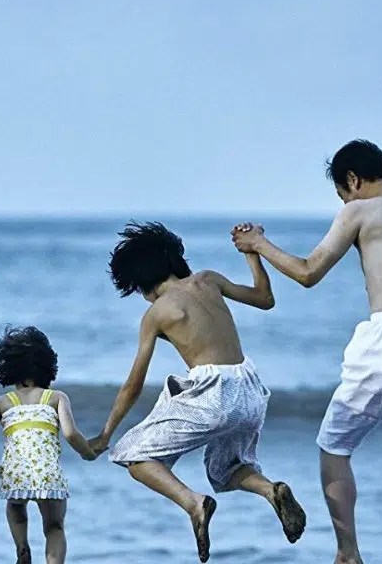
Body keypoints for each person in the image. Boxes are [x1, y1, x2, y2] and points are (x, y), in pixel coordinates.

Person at [231, 139, 382, 564]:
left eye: (342, 192)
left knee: (334, 446)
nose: (344, 201)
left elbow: (308, 272)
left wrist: (259, 244)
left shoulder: (359, 210)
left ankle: (348, 553)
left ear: (353, 180)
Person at [89, 222, 306, 563]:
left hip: (213, 395)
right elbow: (265, 299)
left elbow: (133, 384)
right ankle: (271, 490)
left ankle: (194, 503)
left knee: (132, 455)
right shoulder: (209, 280)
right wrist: (251, 254)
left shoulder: (157, 313)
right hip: (250, 390)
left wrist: (105, 434)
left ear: (141, 282)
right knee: (227, 469)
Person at [0, 326, 99, 564]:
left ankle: (22, 546)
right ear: (47, 366)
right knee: (54, 527)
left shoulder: (1, 402)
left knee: (16, 507)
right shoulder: (56, 398)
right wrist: (88, 453)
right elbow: (71, 434)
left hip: (16, 471)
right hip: (47, 472)